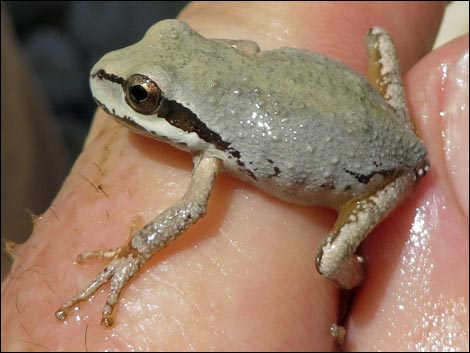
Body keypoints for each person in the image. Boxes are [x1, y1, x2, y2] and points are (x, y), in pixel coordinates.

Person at [2, 2, 468, 351]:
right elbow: (244, 49)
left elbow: (192, 208)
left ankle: (360, 279)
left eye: (141, 95)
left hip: (383, 175)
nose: (127, 92)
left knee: (329, 261)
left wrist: (132, 254)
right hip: (372, 112)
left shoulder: (210, 159)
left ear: (182, 118)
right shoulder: (232, 69)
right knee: (376, 36)